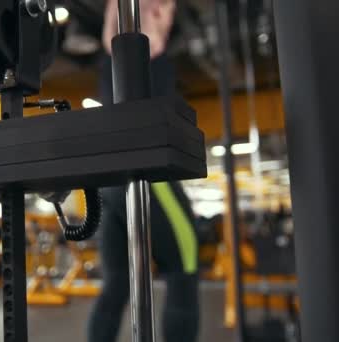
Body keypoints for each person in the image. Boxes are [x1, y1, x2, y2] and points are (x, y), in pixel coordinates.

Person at [87, 1, 200, 341]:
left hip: (109, 183)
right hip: (149, 176)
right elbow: (151, 26)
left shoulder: (111, 61)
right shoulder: (146, 56)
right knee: (185, 270)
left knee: (117, 283)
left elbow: (117, 22)